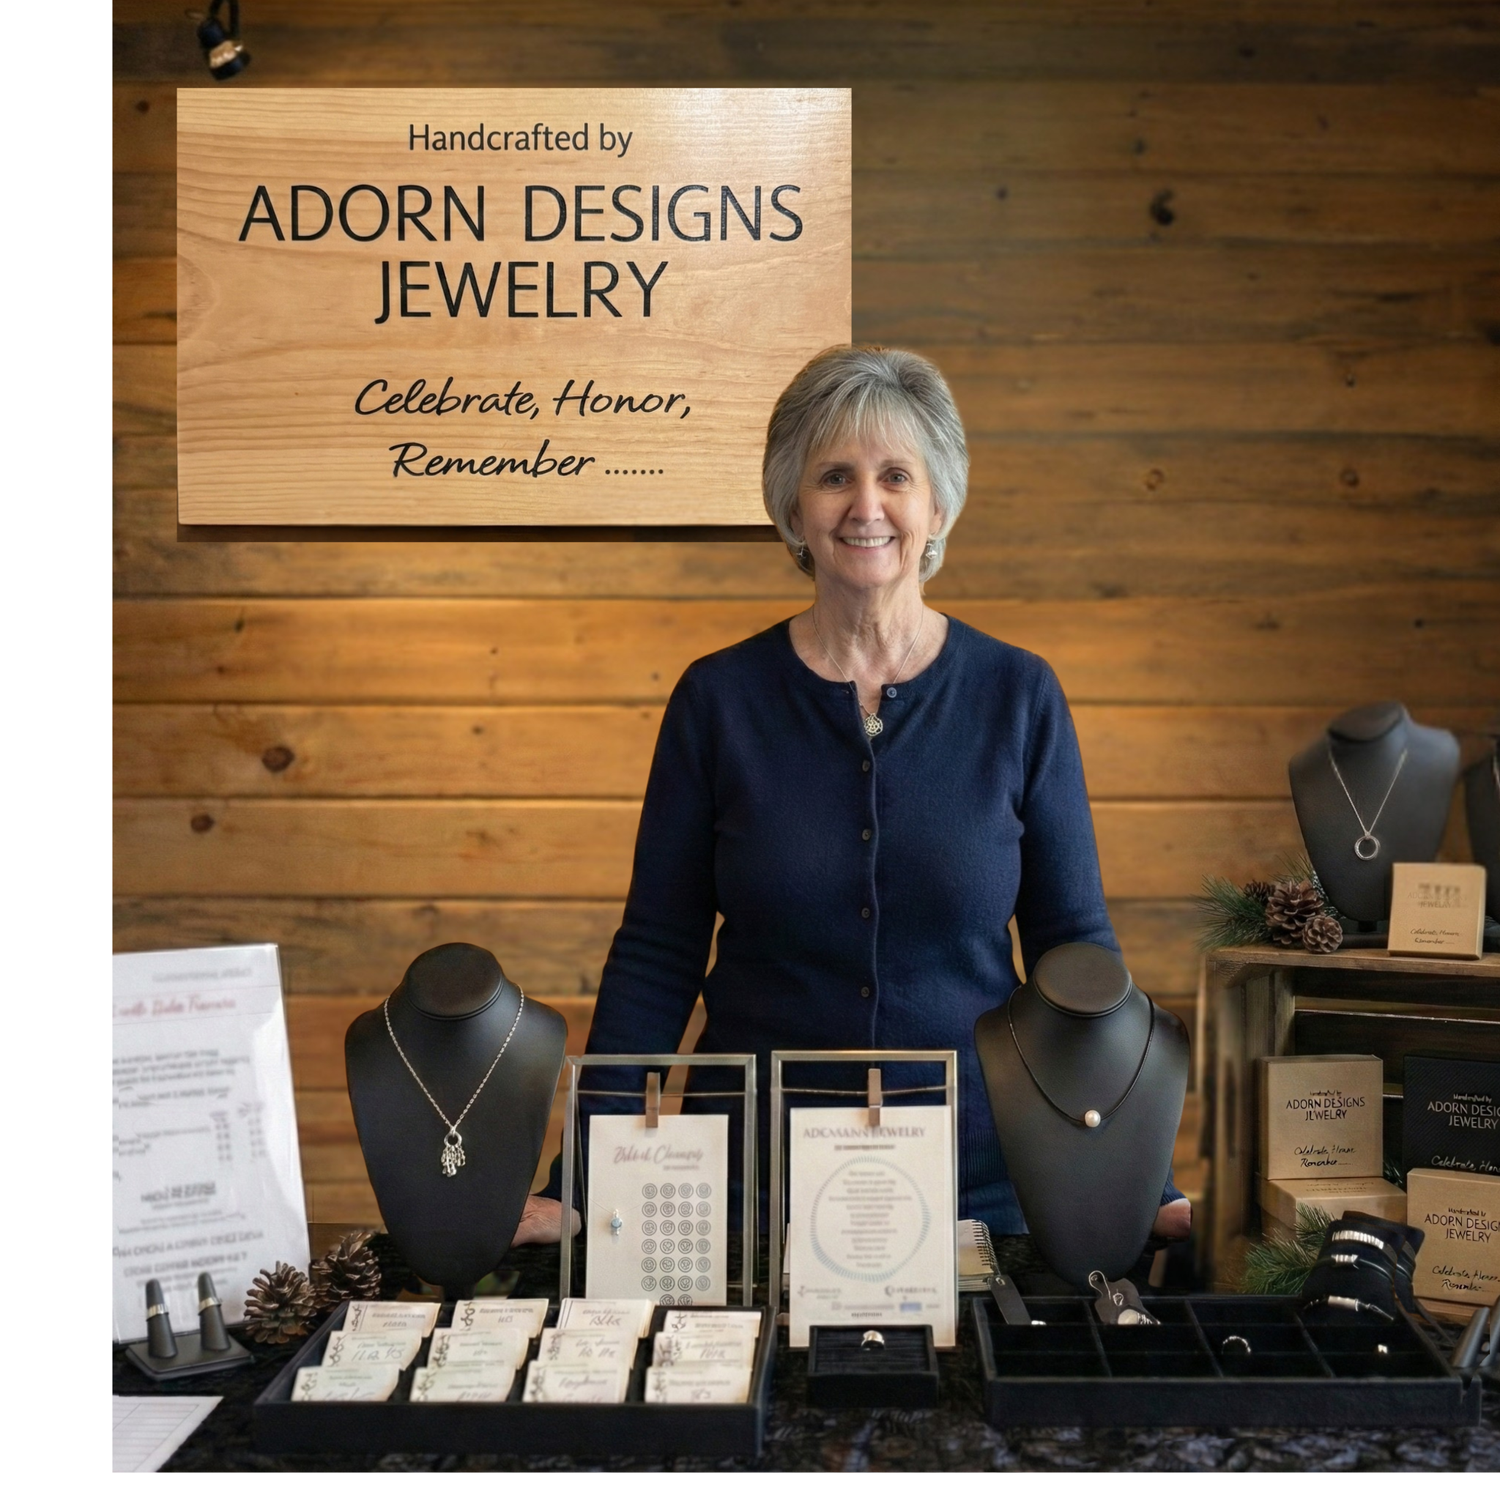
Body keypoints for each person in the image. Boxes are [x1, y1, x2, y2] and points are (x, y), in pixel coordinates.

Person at [520, 344, 1188, 1245]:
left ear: (938, 507)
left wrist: (1138, 1175)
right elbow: (657, 953)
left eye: (896, 477)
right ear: (793, 509)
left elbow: (1077, 956)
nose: (865, 506)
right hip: (750, 1193)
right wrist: (581, 1175)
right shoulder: (718, 701)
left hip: (977, 1189)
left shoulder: (1018, 696)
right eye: (834, 477)